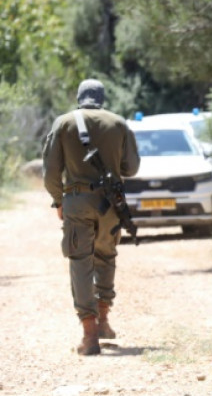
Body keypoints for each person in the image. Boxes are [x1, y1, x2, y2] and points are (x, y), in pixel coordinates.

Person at [42, 79, 140, 355]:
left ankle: (90, 335)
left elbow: (50, 172)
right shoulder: (118, 123)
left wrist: (58, 200)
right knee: (106, 256)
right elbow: (131, 167)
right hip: (111, 203)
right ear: (102, 98)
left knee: (80, 261)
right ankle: (105, 320)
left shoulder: (63, 123)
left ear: (79, 97)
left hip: (77, 201)